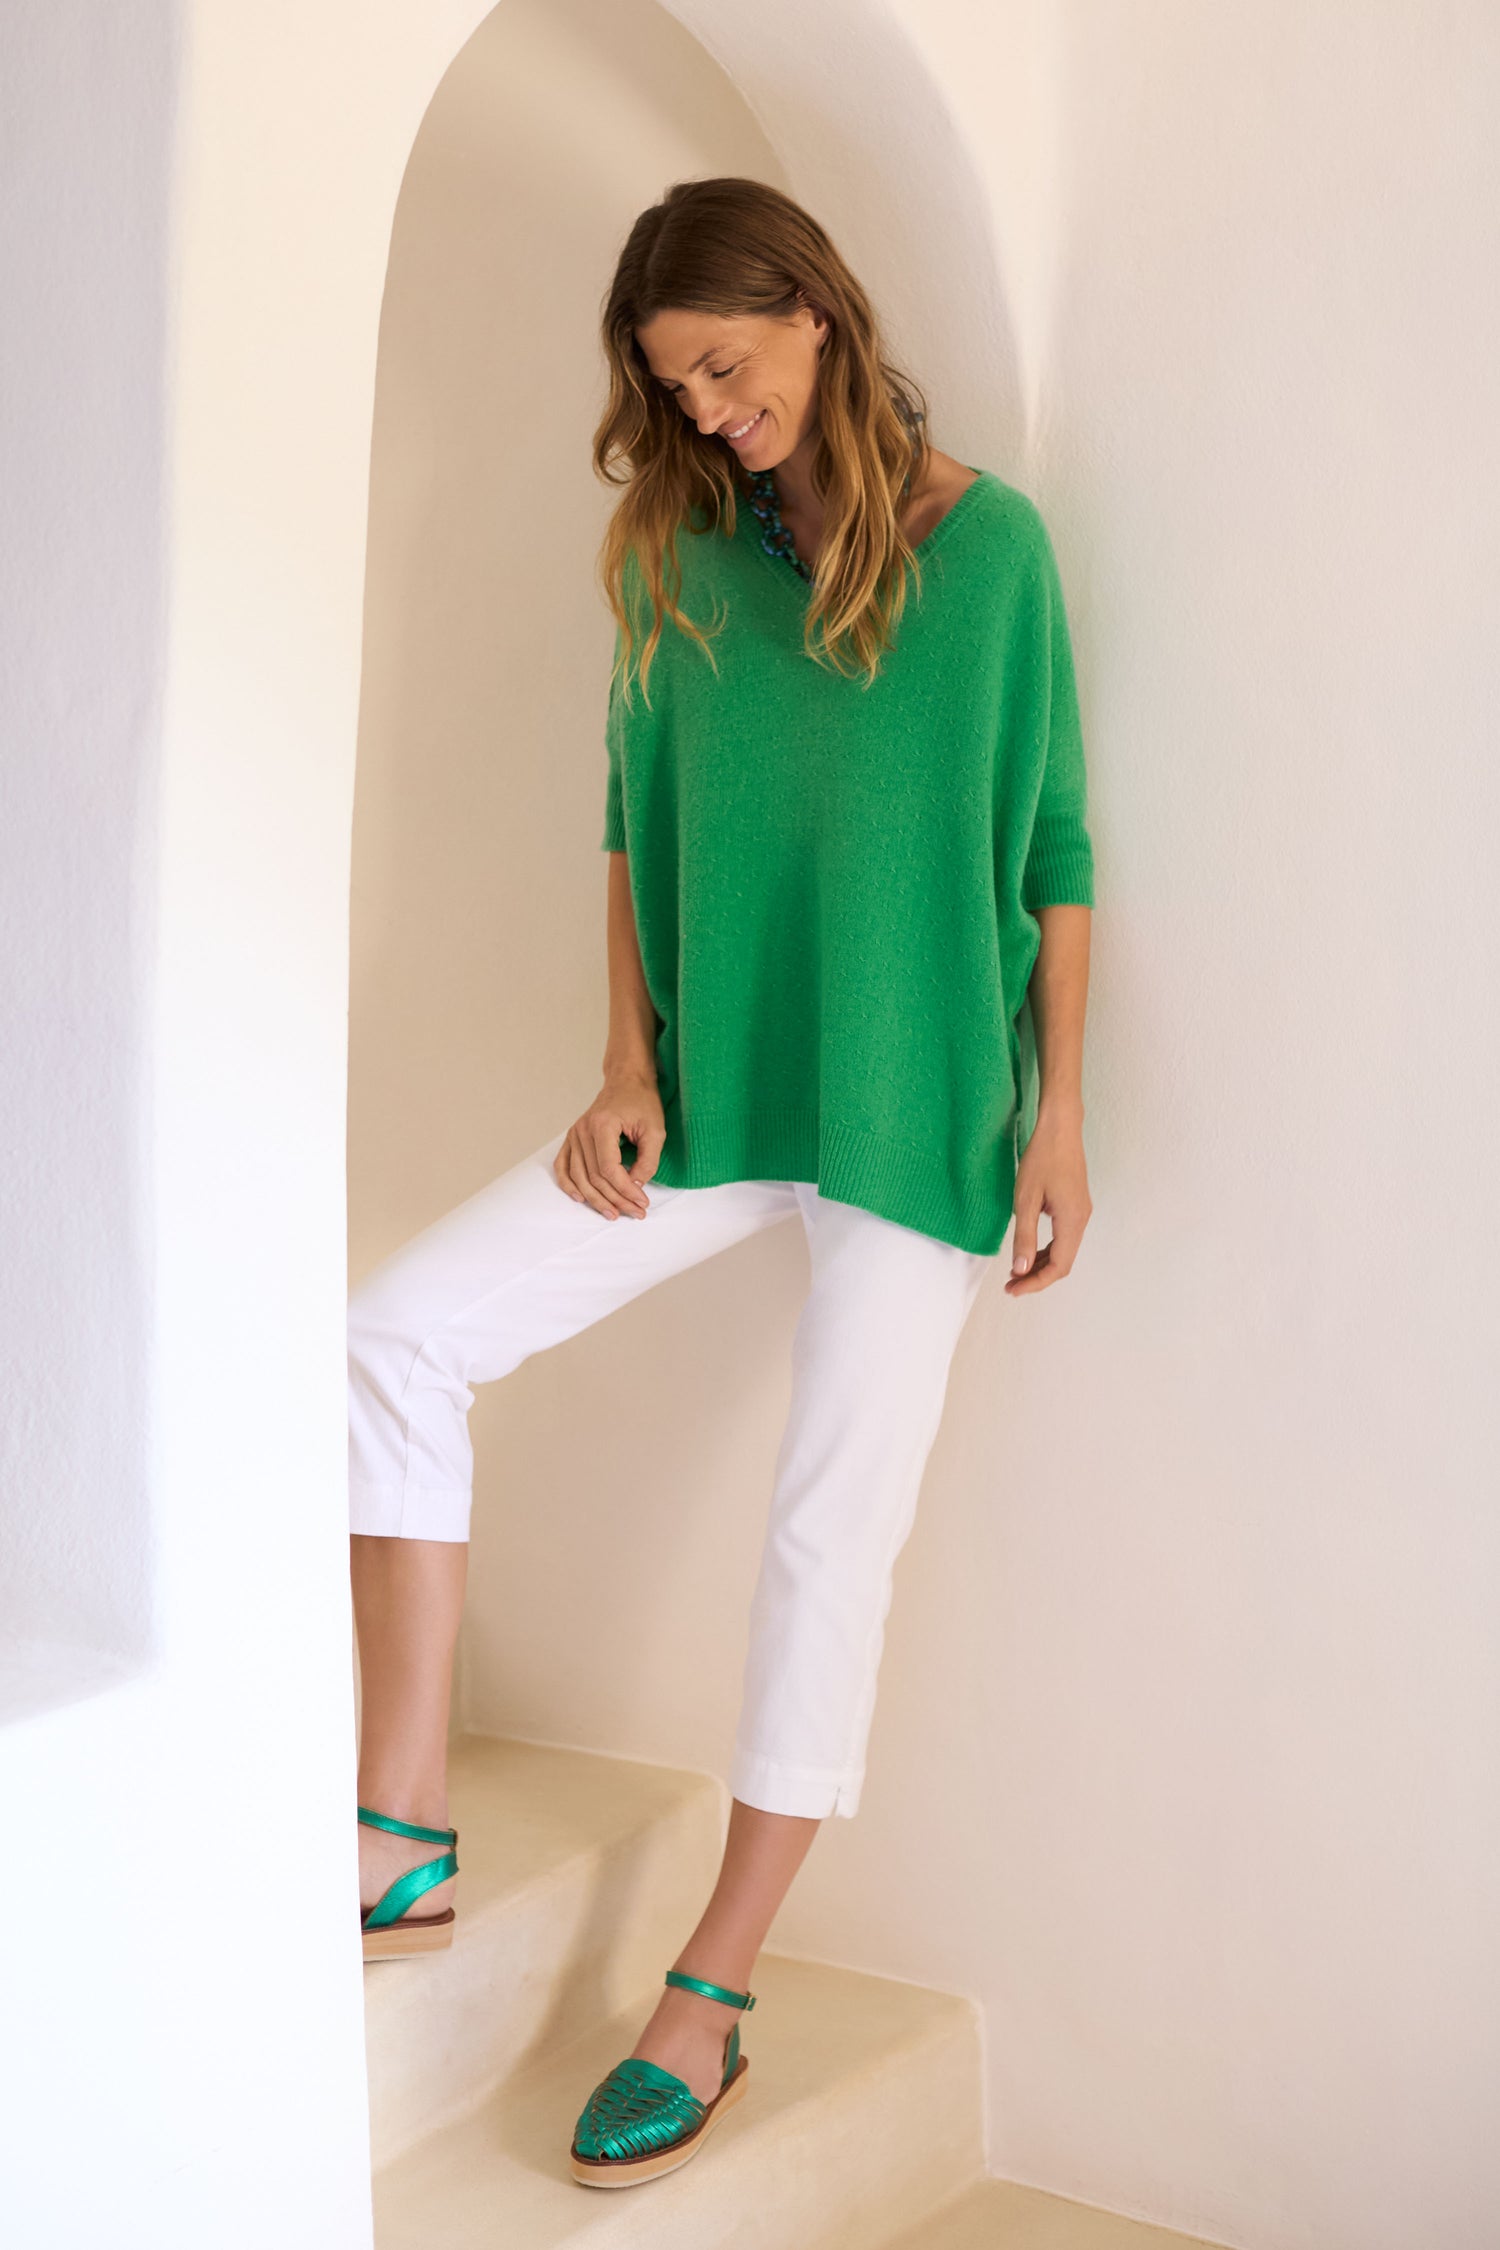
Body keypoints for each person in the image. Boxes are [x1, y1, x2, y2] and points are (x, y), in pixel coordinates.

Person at [346, 175, 1096, 2188]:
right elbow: (628, 821)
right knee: (397, 1331)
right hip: (712, 1094)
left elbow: (1057, 849)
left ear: (817, 315)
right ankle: (400, 1816)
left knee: (819, 1536)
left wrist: (1060, 1115)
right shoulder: (678, 553)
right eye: (672, 385)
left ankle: (717, 1985)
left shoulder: (993, 550)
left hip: (925, 1107)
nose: (701, 410)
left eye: (724, 365)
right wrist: (621, 1065)